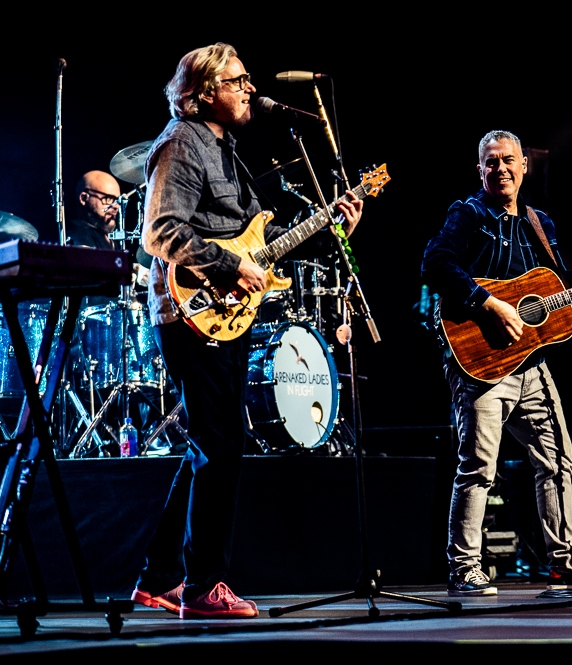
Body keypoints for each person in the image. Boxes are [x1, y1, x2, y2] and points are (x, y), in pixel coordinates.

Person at [130, 43, 362, 619]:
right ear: (204, 92)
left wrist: (332, 224)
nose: (249, 89)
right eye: (237, 81)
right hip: (191, 312)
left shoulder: (226, 151)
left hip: (223, 317)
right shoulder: (183, 142)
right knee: (221, 446)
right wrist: (231, 267)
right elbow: (159, 232)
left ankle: (158, 579)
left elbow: (259, 240)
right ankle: (206, 587)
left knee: (210, 448)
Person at [421, 130, 572, 596]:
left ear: (524, 167)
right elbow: (435, 264)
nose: (499, 169)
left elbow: (561, 289)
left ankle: (566, 562)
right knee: (478, 466)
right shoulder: (468, 214)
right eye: (490, 162)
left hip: (529, 366)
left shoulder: (541, 224)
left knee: (558, 460)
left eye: (507, 161)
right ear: (480, 170)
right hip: (479, 362)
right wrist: (489, 304)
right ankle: (464, 568)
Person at [68, 170, 121, 251]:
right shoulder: (80, 235)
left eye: (117, 201)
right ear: (84, 198)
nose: (116, 206)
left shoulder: (105, 235)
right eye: (109, 199)